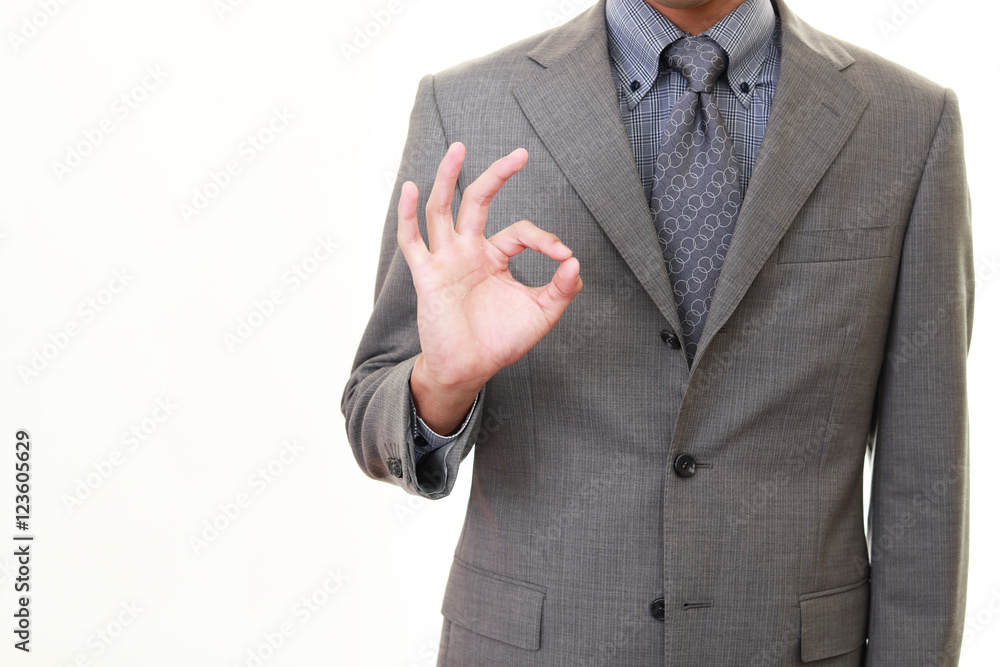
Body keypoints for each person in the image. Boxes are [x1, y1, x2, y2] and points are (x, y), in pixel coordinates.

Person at [342, 0, 974, 664]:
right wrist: (442, 383)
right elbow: (372, 412)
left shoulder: (910, 122)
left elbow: (925, 475)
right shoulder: (464, 108)